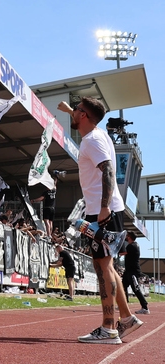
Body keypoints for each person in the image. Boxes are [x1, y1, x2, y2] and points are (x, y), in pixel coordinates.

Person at [57, 97, 141, 344]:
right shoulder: (97, 133)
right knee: (107, 266)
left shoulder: (92, 141)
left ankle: (108, 328)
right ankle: (126, 319)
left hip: (102, 211)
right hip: (106, 209)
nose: (73, 114)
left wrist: (103, 207)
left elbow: (108, 170)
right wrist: (70, 109)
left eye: (76, 111)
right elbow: (86, 116)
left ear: (83, 116)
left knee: (102, 267)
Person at [120, 231, 149, 314]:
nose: (125, 237)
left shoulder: (132, 246)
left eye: (127, 236)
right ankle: (124, 305)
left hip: (133, 272)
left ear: (129, 237)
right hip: (128, 271)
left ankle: (145, 307)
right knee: (123, 287)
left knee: (136, 289)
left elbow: (122, 253)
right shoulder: (133, 245)